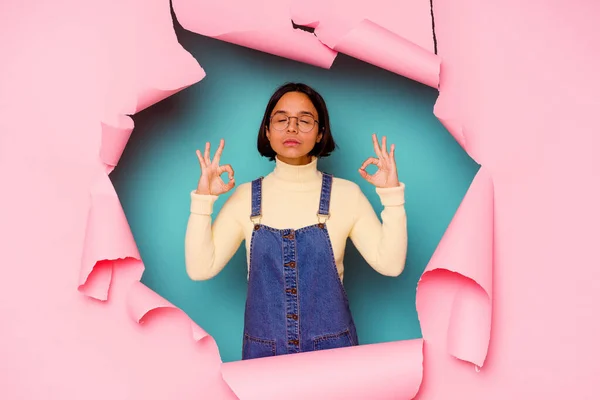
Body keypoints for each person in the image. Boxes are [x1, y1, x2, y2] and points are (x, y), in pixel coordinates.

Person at [185, 82, 408, 360]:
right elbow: (199, 269)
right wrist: (203, 201)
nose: (292, 128)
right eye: (281, 120)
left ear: (320, 133)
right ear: (267, 131)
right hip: (263, 357)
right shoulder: (245, 198)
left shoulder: (346, 194)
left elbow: (391, 265)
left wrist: (391, 196)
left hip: (334, 357)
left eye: (304, 120)